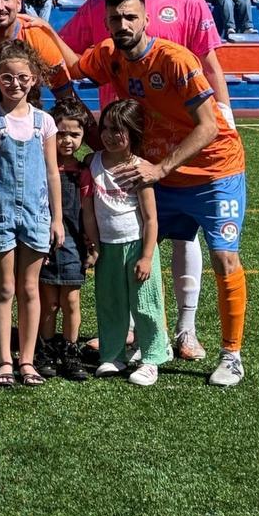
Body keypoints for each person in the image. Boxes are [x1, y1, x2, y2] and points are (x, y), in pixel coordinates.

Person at [59, 0, 231, 361]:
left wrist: (225, 114)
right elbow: (69, 57)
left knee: (182, 236)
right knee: (129, 233)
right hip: (128, 146)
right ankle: (133, 329)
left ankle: (186, 329)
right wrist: (37, 31)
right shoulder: (100, 6)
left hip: (182, 145)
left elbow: (210, 64)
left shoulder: (189, 2)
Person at [76, 0, 248, 386]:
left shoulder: (175, 59)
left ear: (146, 20)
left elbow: (208, 126)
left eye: (131, 17)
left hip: (213, 172)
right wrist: (40, 34)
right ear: (107, 24)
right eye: (116, 19)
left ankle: (231, 355)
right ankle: (144, 338)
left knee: (224, 258)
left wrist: (160, 168)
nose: (123, 25)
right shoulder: (110, 55)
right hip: (161, 172)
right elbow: (70, 66)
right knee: (136, 252)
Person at [0, 39, 63, 388]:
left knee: (30, 288)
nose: (15, 84)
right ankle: (4, 361)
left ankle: (28, 360)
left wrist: (56, 218)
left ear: (33, 79)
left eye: (22, 77)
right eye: (7, 77)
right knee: (5, 287)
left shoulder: (44, 122)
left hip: (36, 216)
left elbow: (52, 172)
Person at [80, 98, 170, 386]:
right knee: (111, 304)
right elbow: (89, 211)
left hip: (137, 246)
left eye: (117, 130)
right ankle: (113, 354)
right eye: (105, 128)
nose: (109, 135)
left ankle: (152, 358)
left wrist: (147, 256)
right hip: (107, 248)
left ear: (133, 133)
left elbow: (151, 219)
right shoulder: (92, 162)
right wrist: (94, 245)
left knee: (145, 305)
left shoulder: (141, 169)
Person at [36, 99, 92, 382]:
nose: (67, 140)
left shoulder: (83, 172)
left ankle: (71, 350)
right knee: (49, 302)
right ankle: (45, 349)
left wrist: (92, 245)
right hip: (43, 242)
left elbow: (88, 212)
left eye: (74, 134)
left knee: (70, 300)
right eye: (61, 133)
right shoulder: (41, 168)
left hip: (73, 245)